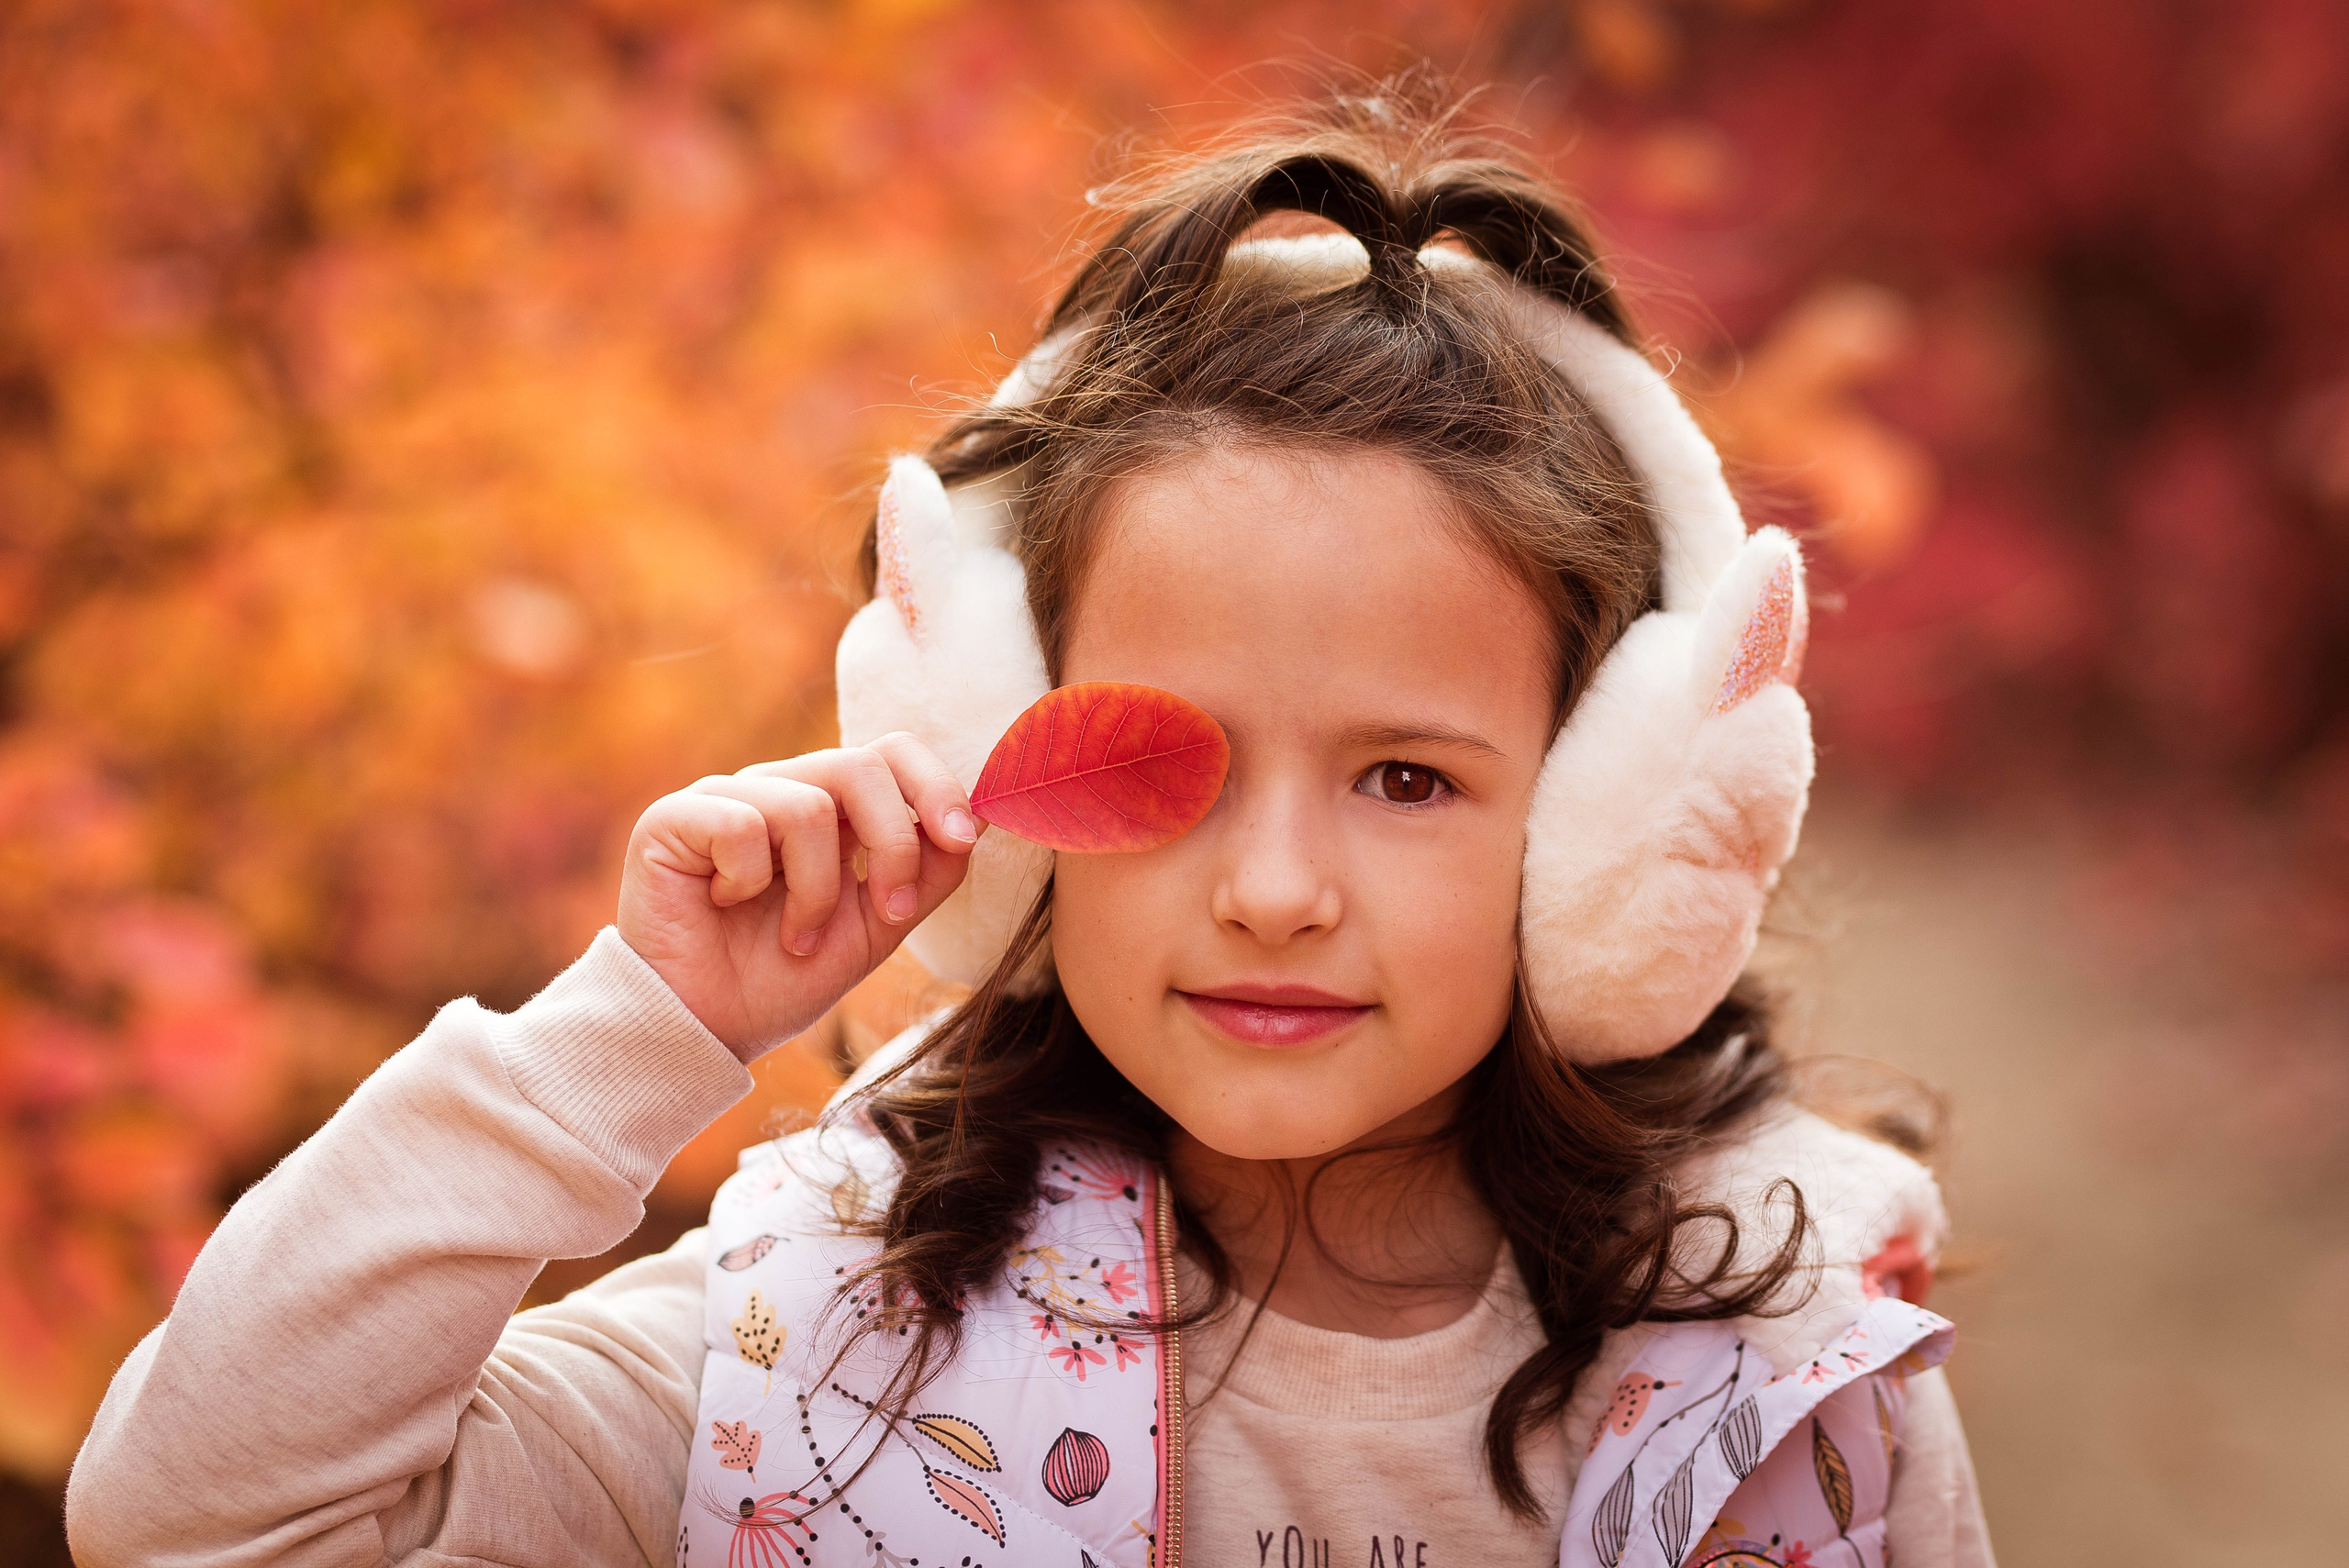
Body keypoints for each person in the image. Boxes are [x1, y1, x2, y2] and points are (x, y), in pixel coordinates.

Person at [66, 93, 1995, 1568]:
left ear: (1601, 821)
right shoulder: (831, 1340)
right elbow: (202, 1517)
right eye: (1172, 763)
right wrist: (631, 1034)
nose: (1269, 891)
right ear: (989, 756)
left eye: (1404, 779)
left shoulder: (1786, 1377)